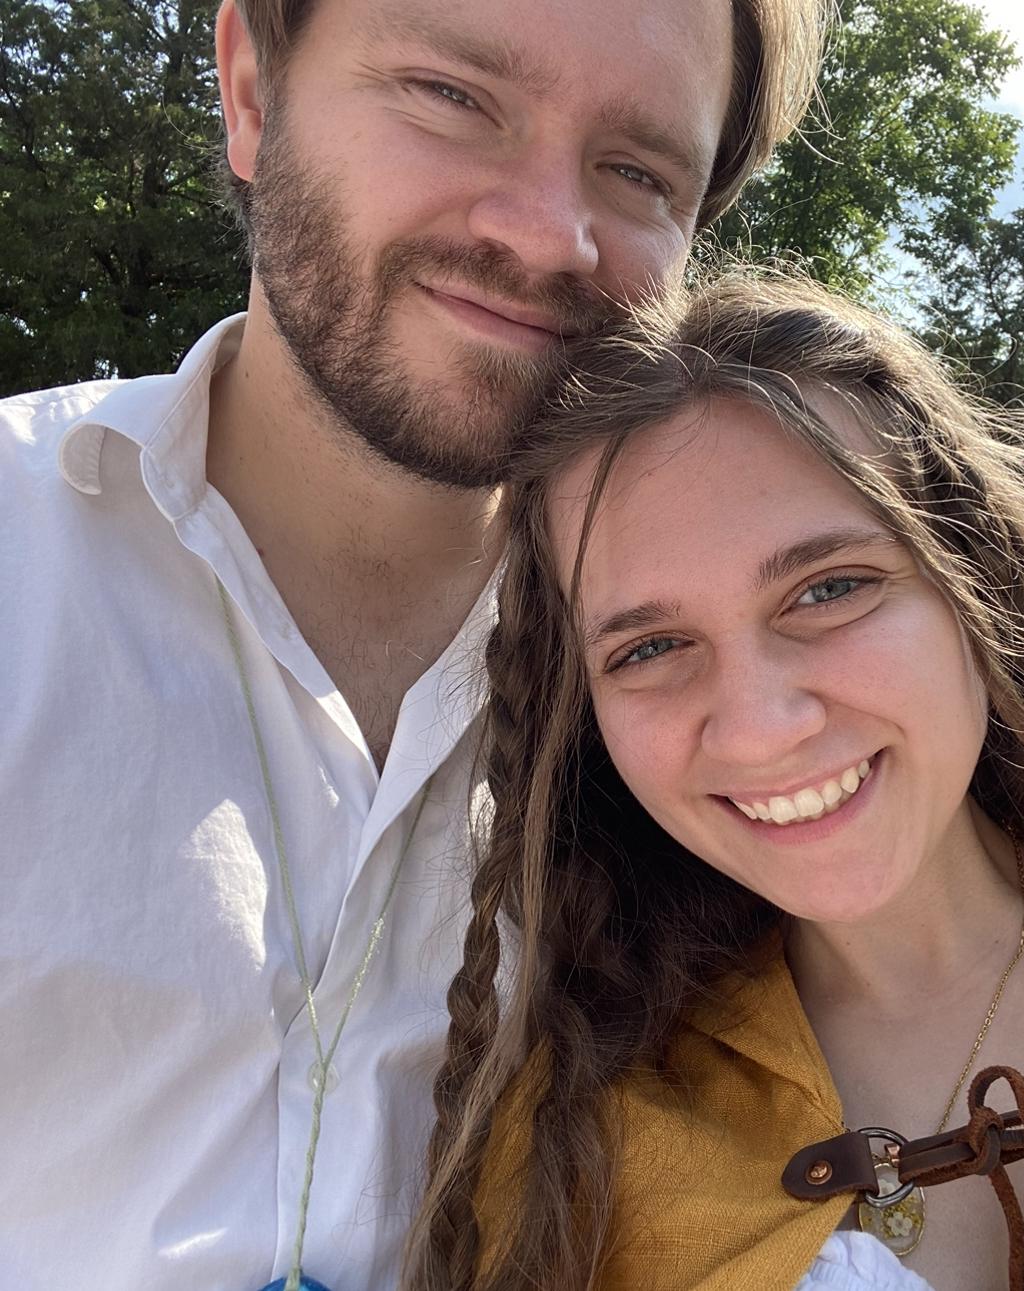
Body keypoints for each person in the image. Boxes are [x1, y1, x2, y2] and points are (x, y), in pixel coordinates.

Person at [0, 2, 826, 1287]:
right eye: (453, 96)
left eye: (637, 170)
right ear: (250, 91)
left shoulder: (742, 708)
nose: (549, 234)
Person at [412, 270, 1024, 1291]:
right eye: (649, 648)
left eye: (829, 589)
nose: (761, 726)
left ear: (974, 582)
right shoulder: (582, 1150)